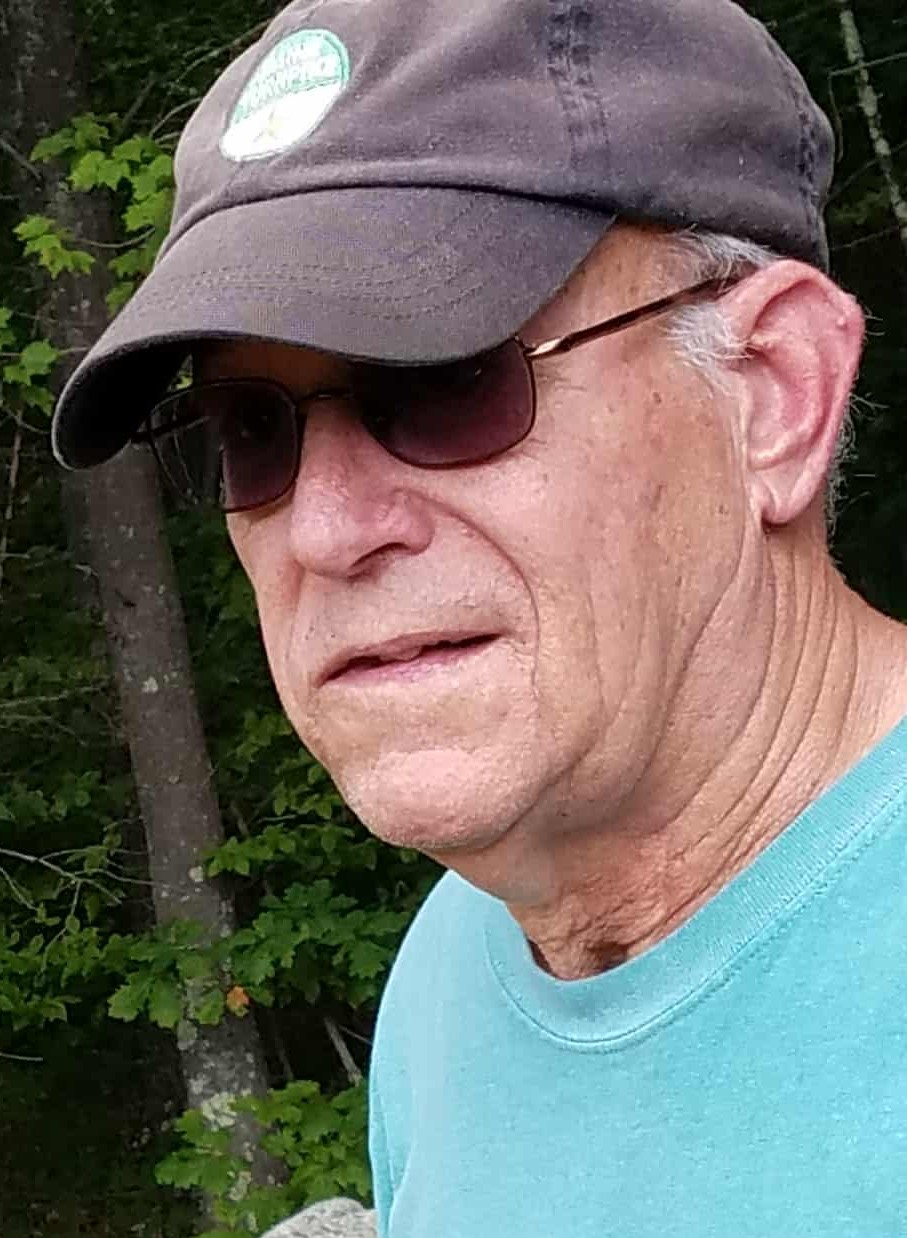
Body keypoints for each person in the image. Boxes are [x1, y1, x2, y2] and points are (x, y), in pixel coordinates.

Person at [52, 0, 907, 1234]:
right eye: (251, 429)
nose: (324, 529)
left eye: (444, 380)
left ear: (773, 391)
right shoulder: (457, 969)